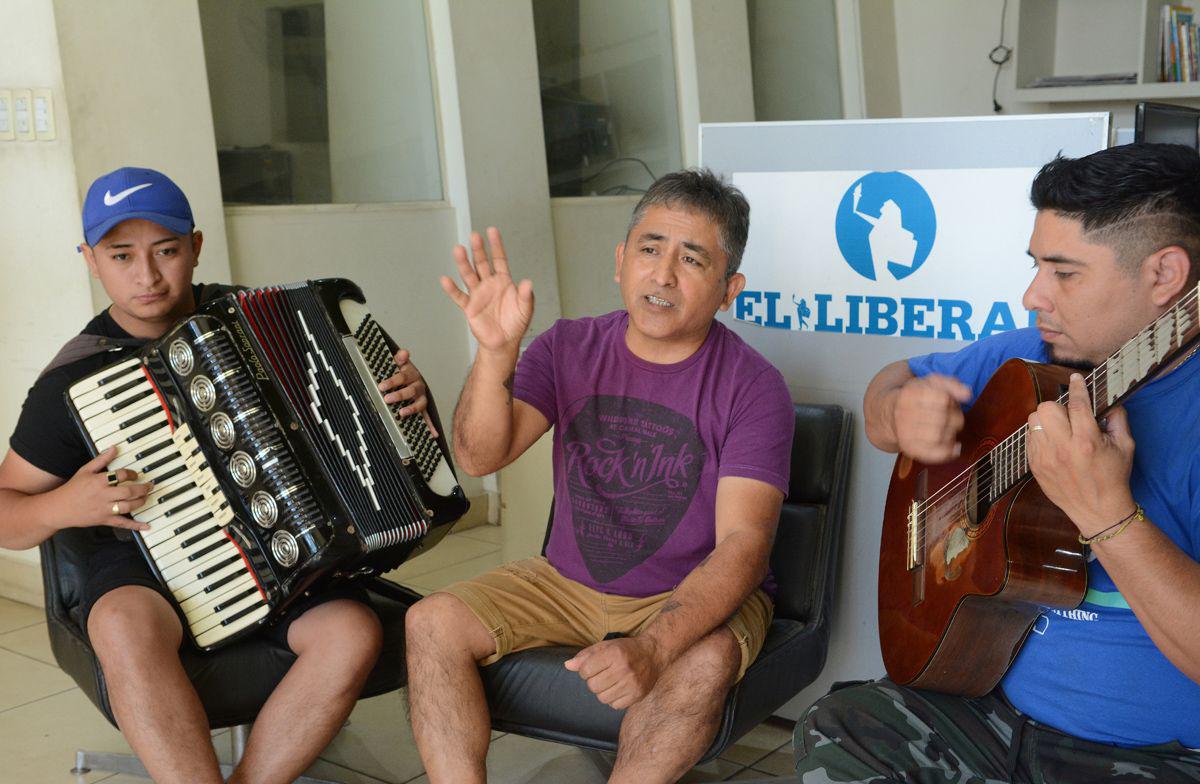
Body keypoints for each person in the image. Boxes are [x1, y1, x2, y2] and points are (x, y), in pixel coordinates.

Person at [0, 167, 428, 784]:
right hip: (143, 565)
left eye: (166, 251)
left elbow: (354, 408)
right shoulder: (71, 381)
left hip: (286, 550)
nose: (146, 276)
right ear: (91, 261)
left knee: (352, 632)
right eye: (121, 255)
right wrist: (64, 504)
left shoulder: (261, 324)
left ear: (196, 247)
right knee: (121, 627)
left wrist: (401, 397)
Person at [795, 143, 1200, 783]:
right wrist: (898, 411)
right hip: (989, 710)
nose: (1032, 295)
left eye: (1064, 274)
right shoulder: (1031, 357)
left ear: (1165, 275)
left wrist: (1107, 515)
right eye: (1036, 265)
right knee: (843, 724)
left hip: (1156, 757)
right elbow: (888, 386)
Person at [405, 169, 795, 783]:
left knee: (705, 660)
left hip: (687, 592)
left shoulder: (754, 386)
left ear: (729, 289)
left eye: (692, 259)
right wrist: (494, 356)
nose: (662, 275)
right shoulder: (567, 347)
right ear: (620, 260)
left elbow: (746, 546)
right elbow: (481, 457)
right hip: (565, 580)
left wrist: (656, 647)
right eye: (649, 248)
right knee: (430, 622)